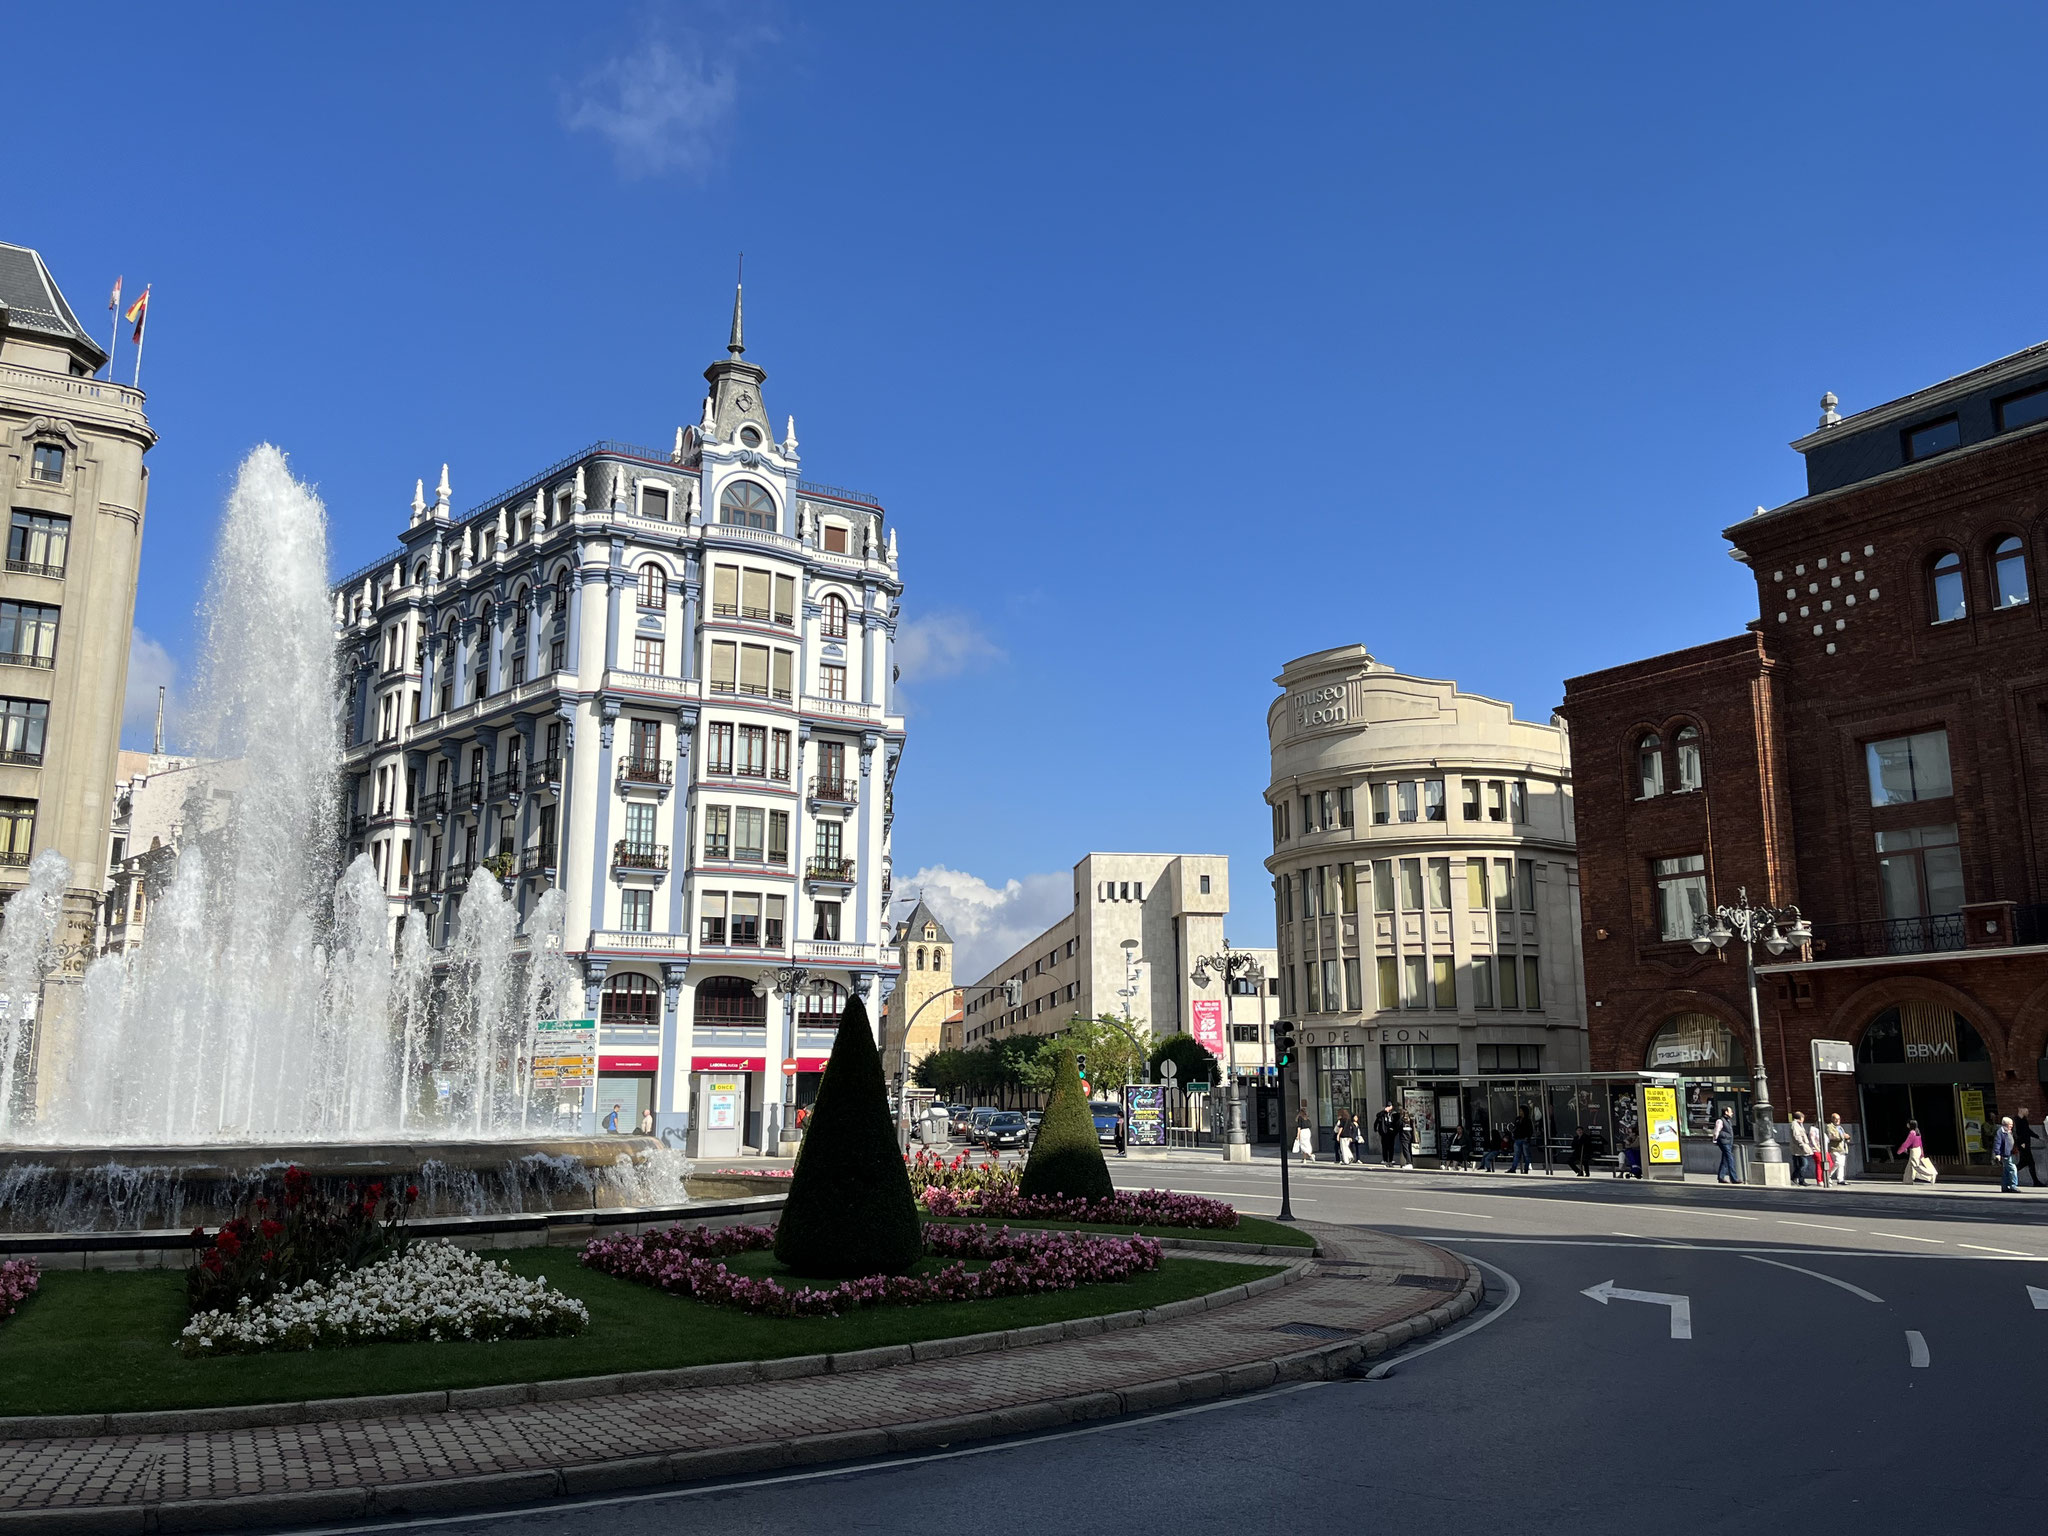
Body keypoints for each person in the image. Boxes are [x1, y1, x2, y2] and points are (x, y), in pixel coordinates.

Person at [1899, 1120, 1938, 1184]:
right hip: (1918, 1149)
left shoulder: (1912, 1132)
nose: (1907, 1125)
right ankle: (1907, 1180)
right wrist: (1922, 1152)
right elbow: (1920, 1143)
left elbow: (1907, 1143)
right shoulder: (1917, 1132)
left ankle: (1931, 1173)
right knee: (1910, 1167)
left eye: (1908, 1123)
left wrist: (1901, 1150)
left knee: (1915, 1166)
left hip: (1914, 1150)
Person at [1710, 1105, 1739, 1184]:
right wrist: (1715, 1140)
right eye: (1730, 1111)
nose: (1732, 1113)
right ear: (1726, 1112)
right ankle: (1734, 1178)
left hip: (1728, 1141)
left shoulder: (1728, 1121)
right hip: (1724, 1141)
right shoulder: (1720, 1121)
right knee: (1730, 1158)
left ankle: (1721, 1177)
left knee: (1725, 1159)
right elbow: (1716, 1131)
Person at [1825, 1111, 1852, 1186]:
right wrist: (1843, 1136)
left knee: (1842, 1164)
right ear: (1832, 1119)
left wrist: (1847, 1137)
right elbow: (1832, 1136)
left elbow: (1844, 1136)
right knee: (1837, 1162)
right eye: (1835, 1119)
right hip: (1834, 1148)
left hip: (1842, 1148)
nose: (1837, 1120)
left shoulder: (1840, 1127)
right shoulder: (1829, 1127)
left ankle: (1840, 1179)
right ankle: (1827, 1175)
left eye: (1839, 1119)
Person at [2015, 1108, 2040, 1187]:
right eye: (2026, 1111)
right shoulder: (2018, 1121)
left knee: (2026, 1163)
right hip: (2023, 1144)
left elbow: (2028, 1131)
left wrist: (2037, 1136)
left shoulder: (2023, 1120)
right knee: (2028, 1162)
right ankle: (2036, 1181)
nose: (2028, 1113)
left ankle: (2036, 1181)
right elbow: (2020, 1133)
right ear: (2021, 1111)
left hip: (2025, 1143)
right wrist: (2023, 1145)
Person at [1787, 1111, 1813, 1186]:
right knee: (1804, 1164)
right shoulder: (1795, 1124)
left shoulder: (1799, 1124)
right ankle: (1794, 1177)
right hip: (1799, 1148)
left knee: (1799, 1165)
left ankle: (1800, 1180)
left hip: (1799, 1148)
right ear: (1801, 1117)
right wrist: (1802, 1144)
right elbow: (1797, 1136)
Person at [1996, 1117, 2019, 1192]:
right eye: (2010, 1124)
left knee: (2006, 1170)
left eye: (2012, 1124)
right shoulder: (2001, 1132)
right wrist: (1997, 1153)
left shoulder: (2009, 1131)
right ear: (2005, 1124)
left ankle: (2004, 1186)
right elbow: (1998, 1143)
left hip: (2010, 1153)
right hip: (2006, 1154)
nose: (2012, 1126)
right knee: (2013, 1169)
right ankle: (2013, 1185)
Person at [1512, 1106, 1534, 1174]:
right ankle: (1513, 1168)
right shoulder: (1518, 1119)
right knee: (1516, 1155)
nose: (1520, 1112)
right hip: (1517, 1139)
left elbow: (1530, 1130)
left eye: (1521, 1111)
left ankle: (1526, 1168)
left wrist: (1527, 1137)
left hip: (1524, 1139)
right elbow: (1515, 1128)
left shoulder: (1527, 1120)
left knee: (1526, 1155)